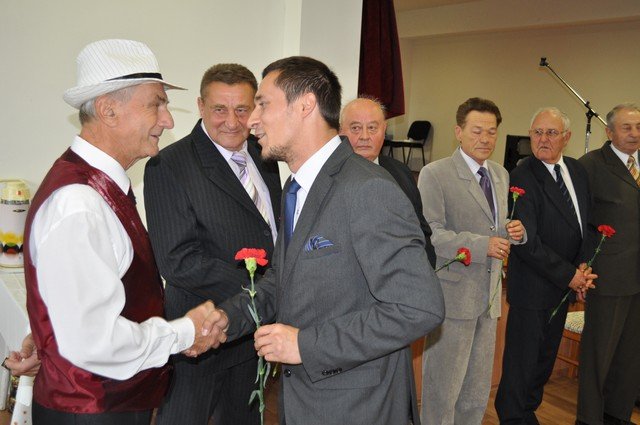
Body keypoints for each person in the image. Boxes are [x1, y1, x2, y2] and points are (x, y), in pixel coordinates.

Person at [204, 56, 445, 425]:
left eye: (263, 104)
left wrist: (305, 345)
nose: (251, 120)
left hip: (358, 408)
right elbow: (280, 282)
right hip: (306, 400)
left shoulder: (367, 189)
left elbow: (418, 307)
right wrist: (226, 318)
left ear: (305, 105)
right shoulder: (295, 187)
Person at [22, 39, 226, 425]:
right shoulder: (80, 202)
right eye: (156, 104)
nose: (168, 120)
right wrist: (186, 332)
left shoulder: (92, 190)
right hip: (93, 412)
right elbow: (94, 341)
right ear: (108, 110)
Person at [144, 63, 281, 425]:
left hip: (251, 335)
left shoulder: (266, 154)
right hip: (200, 335)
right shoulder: (169, 164)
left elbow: (270, 230)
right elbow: (177, 260)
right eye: (220, 109)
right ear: (201, 106)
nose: (232, 122)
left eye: (243, 109)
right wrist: (265, 292)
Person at [417, 97, 526, 425]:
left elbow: (494, 227)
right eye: (477, 131)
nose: (485, 139)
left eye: (491, 132)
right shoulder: (435, 173)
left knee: (476, 392)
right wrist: (482, 246)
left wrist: (514, 231)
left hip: (489, 298)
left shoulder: (500, 174)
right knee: (443, 390)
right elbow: (431, 234)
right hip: (453, 297)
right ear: (459, 132)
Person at [494, 107, 596, 424]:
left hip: (563, 288)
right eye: (537, 132)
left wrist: (583, 267)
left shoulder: (577, 171)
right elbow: (528, 242)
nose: (542, 139)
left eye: (551, 133)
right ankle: (513, 416)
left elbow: (585, 225)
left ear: (566, 137)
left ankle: (527, 413)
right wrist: (570, 276)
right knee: (521, 365)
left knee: (543, 363)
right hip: (533, 288)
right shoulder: (522, 175)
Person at [576, 103, 640, 425]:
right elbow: (579, 223)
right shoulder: (590, 166)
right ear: (609, 131)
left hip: (638, 277)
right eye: (627, 127)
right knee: (598, 355)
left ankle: (618, 415)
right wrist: (581, 267)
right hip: (608, 276)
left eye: (639, 127)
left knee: (631, 356)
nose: (634, 133)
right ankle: (589, 419)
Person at [340, 96, 436, 268]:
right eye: (355, 128)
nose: (364, 136)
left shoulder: (401, 173)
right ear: (340, 131)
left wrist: (425, 272)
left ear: (384, 131)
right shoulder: (328, 177)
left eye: (372, 128)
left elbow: (421, 232)